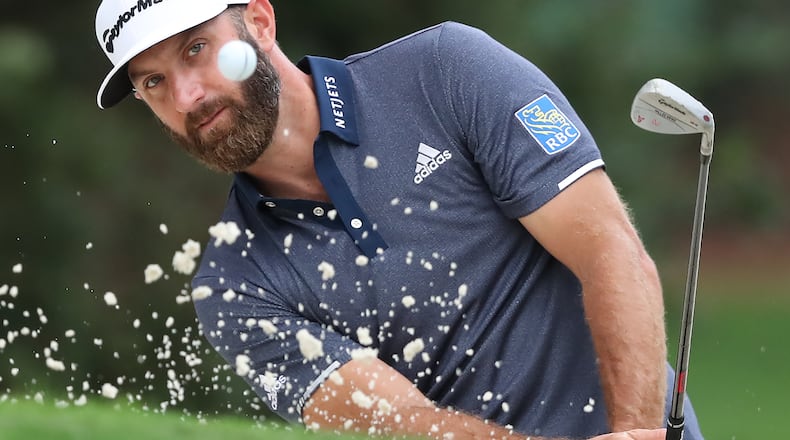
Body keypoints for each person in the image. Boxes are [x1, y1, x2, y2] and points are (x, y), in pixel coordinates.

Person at [93, 0, 705, 439]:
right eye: (154, 83)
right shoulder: (232, 287)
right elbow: (409, 426)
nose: (187, 97)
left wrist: (635, 430)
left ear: (258, 21)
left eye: (196, 50)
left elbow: (609, 251)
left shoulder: (444, 71)